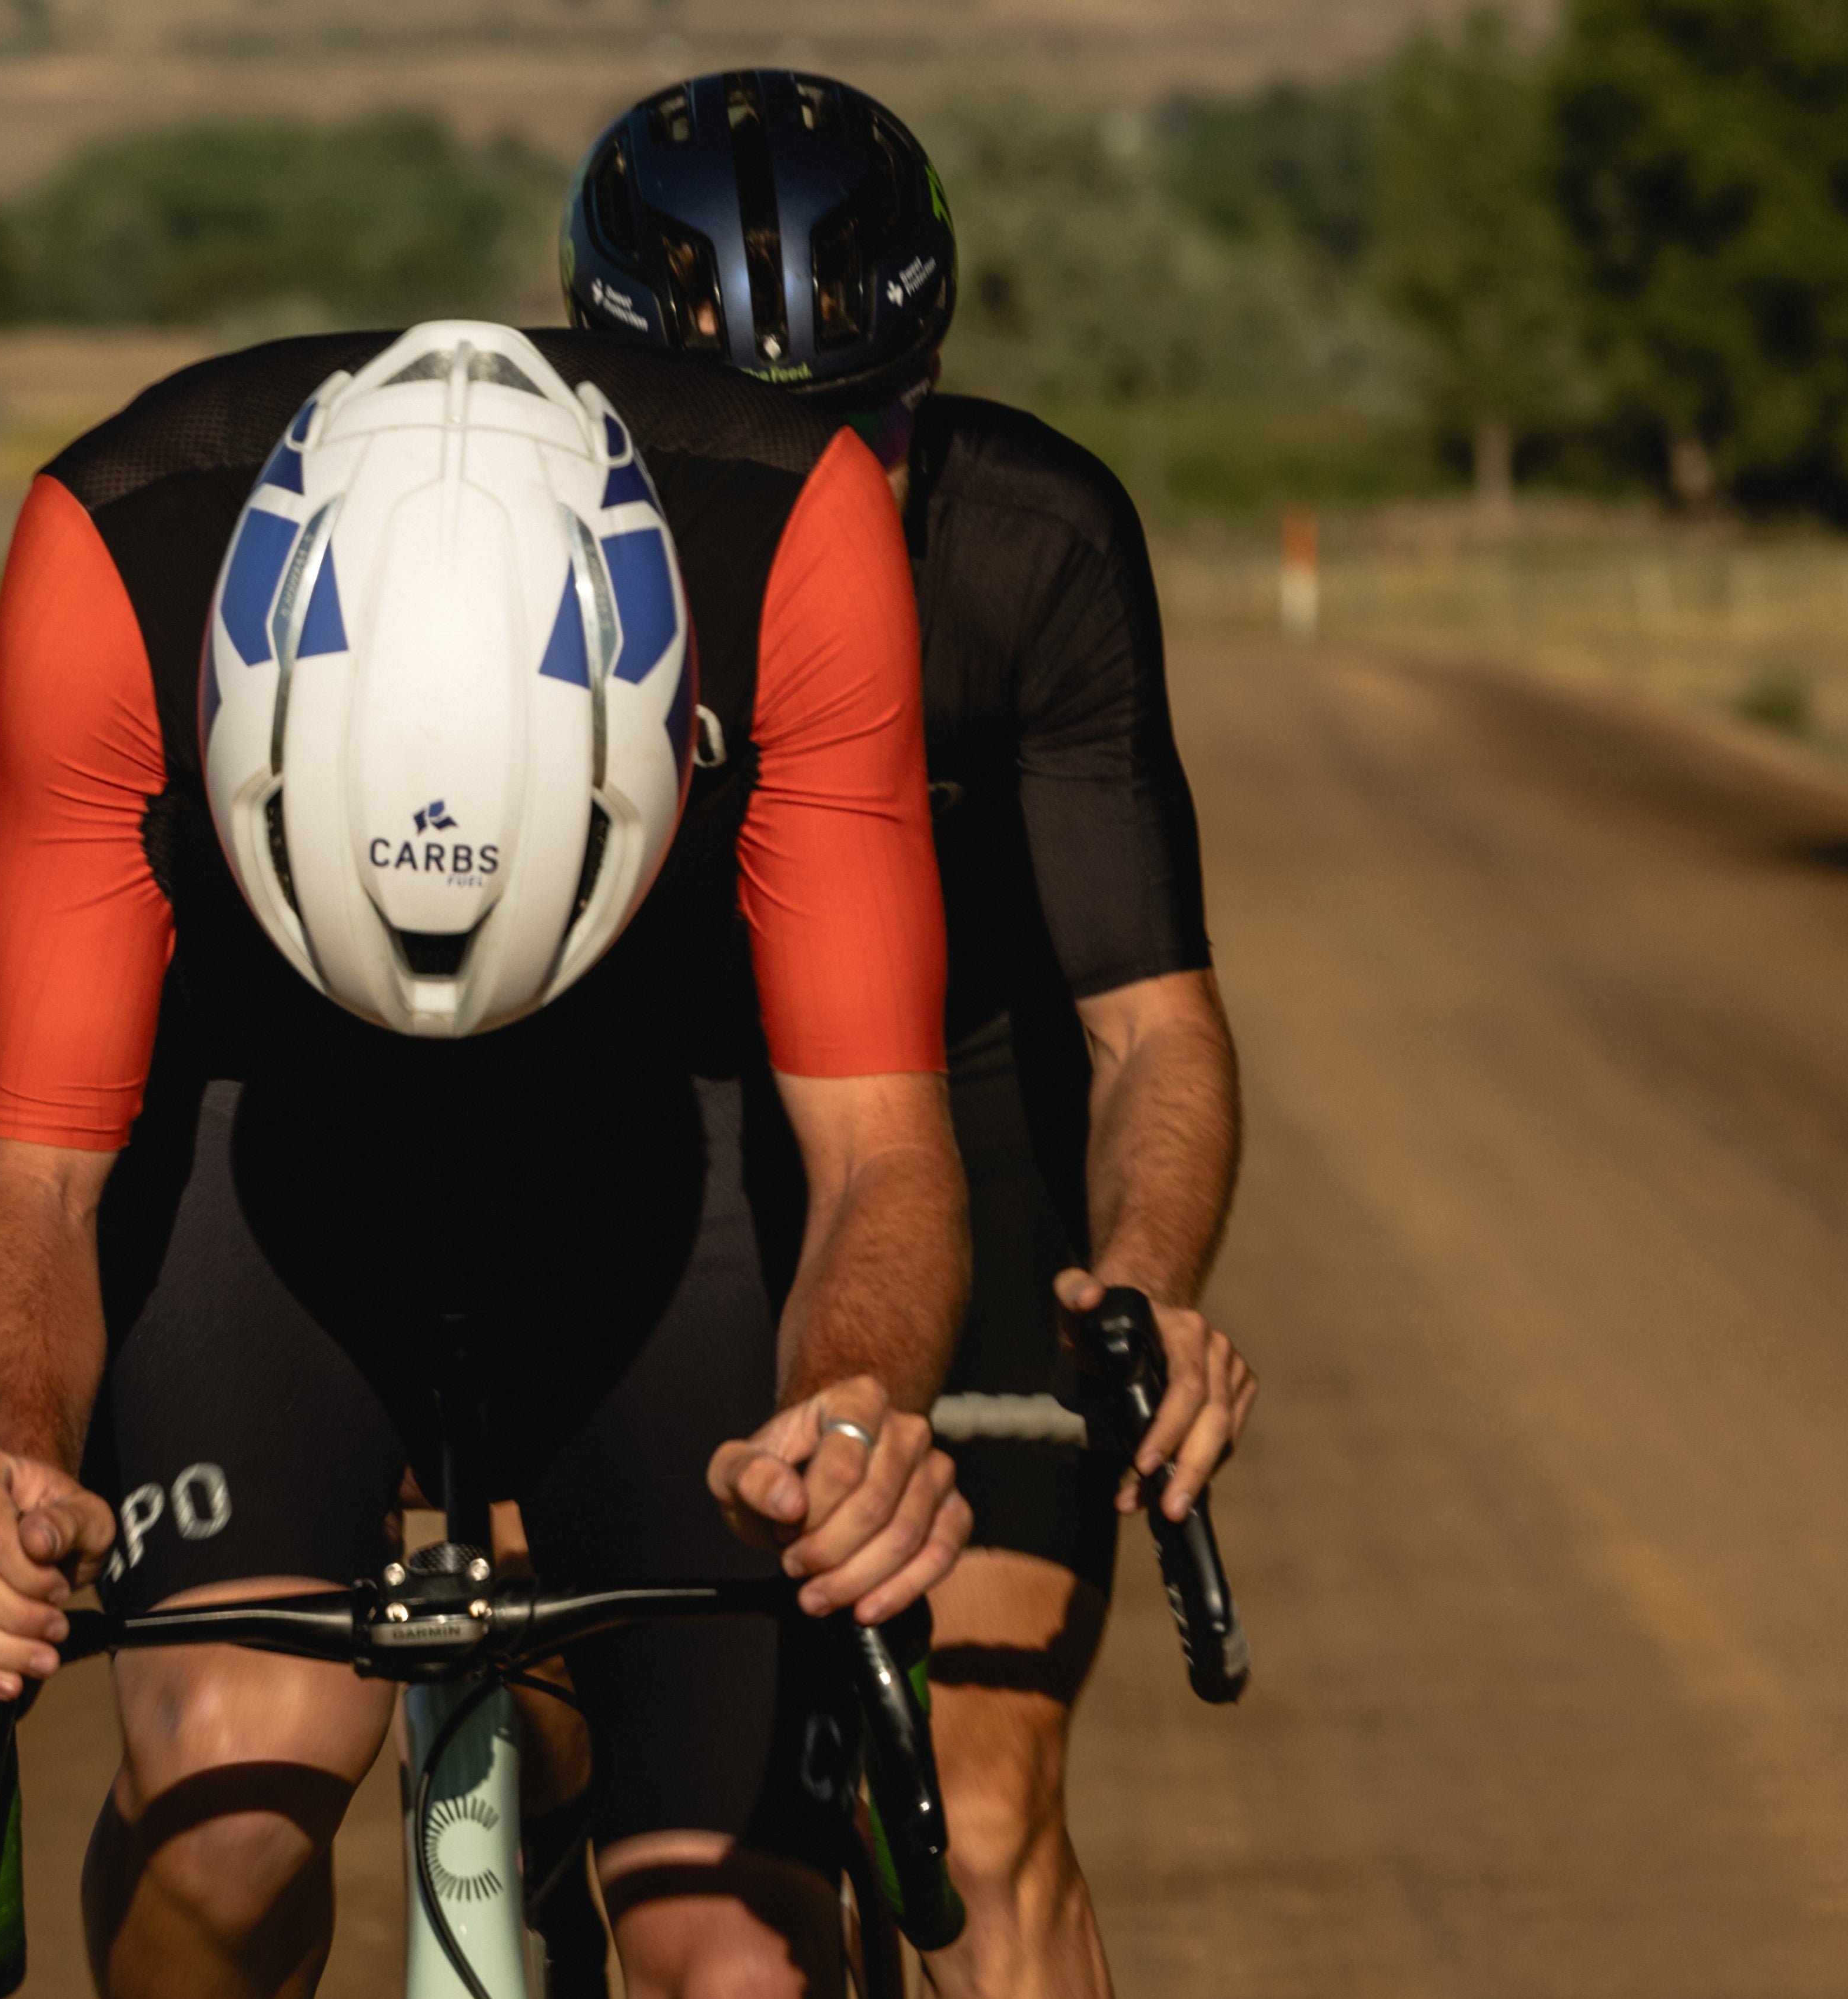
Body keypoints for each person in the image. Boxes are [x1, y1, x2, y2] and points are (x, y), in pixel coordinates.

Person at [0, 318, 975, 1998]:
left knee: (738, 1953)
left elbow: (880, 1148)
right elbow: (27, 1177)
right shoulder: (119, 551)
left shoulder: (789, 532)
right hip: (267, 1142)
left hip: (657, 1141)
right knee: (226, 1808)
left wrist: (850, 1411)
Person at [561, 70, 1261, 1999]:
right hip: (649, 1151)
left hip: (970, 1130)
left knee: (978, 1787)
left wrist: (1147, 1279)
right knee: (615, 1795)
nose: (815, 484)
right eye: (736, 440)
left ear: (931, 381)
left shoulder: (1034, 544)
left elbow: (1148, 1024)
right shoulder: (519, 561)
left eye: (866, 424)